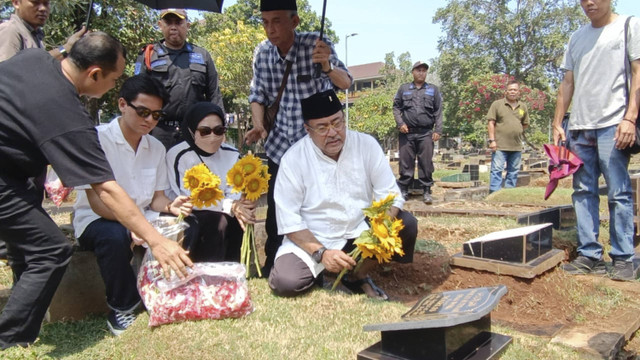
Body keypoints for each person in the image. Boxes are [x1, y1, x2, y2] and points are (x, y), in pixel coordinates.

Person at [0, 32, 192, 349]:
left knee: (32, 248)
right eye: (114, 79)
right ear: (94, 74)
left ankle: (24, 332)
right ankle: (9, 341)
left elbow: (57, 52)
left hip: (12, 174)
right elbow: (106, 191)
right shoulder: (69, 116)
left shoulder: (36, 58)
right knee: (51, 250)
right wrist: (156, 240)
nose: (114, 86)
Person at [73, 75, 194, 336]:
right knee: (115, 236)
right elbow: (96, 201)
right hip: (98, 219)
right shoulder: (96, 140)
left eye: (156, 115)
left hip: (145, 216)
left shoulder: (156, 147)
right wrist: (133, 225)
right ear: (122, 105)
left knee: (191, 224)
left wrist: (172, 206)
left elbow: (157, 198)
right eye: (143, 111)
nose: (149, 120)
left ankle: (172, 291)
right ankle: (123, 306)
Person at [269, 89, 417, 300]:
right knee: (285, 283)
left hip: (358, 231)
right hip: (313, 237)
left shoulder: (366, 145)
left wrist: (380, 229)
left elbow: (391, 195)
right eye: (322, 127)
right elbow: (289, 220)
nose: (332, 132)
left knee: (405, 224)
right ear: (307, 130)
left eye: (337, 123)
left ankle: (358, 275)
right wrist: (322, 253)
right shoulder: (293, 159)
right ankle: (326, 273)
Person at [245, 0, 352, 276]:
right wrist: (259, 125)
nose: (270, 29)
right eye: (265, 22)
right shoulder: (262, 53)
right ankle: (273, 263)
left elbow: (346, 82)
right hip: (280, 147)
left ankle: (334, 262)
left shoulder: (316, 45)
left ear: (294, 22)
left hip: (316, 149)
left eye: (277, 21)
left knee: (322, 206)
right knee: (277, 214)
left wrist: (327, 65)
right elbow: (258, 95)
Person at [553, 0, 639, 281]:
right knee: (582, 192)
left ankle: (624, 257)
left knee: (618, 192)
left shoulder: (628, 26)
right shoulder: (577, 37)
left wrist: (630, 118)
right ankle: (589, 254)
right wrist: (557, 122)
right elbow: (568, 82)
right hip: (579, 126)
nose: (589, 3)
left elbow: (638, 73)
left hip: (613, 124)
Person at [166, 102, 257, 262]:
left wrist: (242, 204)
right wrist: (232, 206)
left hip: (228, 209)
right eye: (205, 131)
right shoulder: (179, 155)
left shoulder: (232, 154)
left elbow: (235, 190)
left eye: (219, 130)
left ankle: (235, 270)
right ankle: (206, 273)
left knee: (241, 219)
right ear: (191, 130)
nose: (213, 137)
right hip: (190, 212)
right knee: (217, 221)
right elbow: (189, 198)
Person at [134, 8, 224, 149]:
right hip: (158, 132)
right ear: (160, 25)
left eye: (178, 22)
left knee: (197, 171)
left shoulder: (202, 55)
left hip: (195, 132)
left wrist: (219, 128)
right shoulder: (148, 56)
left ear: (187, 25)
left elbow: (214, 94)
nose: (173, 27)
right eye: (168, 22)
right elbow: (137, 95)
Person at [392, 61, 443, 204]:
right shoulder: (404, 89)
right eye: (418, 70)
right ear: (413, 72)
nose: (421, 73)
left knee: (426, 163)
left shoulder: (433, 90)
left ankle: (426, 190)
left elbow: (438, 111)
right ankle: (404, 190)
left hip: (426, 133)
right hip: (407, 132)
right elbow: (396, 108)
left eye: (424, 70)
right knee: (405, 162)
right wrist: (400, 123)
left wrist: (438, 130)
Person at [0, 0, 86, 62]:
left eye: (46, 3)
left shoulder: (33, 34)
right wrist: (65, 48)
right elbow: (8, 74)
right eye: (35, 2)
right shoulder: (10, 29)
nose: (43, 8)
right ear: (16, 3)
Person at [486, 80, 529, 193]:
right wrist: (492, 140)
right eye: (510, 90)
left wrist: (516, 131)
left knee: (513, 171)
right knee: (497, 170)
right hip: (500, 145)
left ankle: (509, 192)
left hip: (516, 146)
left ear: (519, 92)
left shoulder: (522, 107)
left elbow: (525, 124)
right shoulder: (497, 104)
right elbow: (491, 123)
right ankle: (494, 193)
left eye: (515, 90)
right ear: (506, 92)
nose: (513, 92)